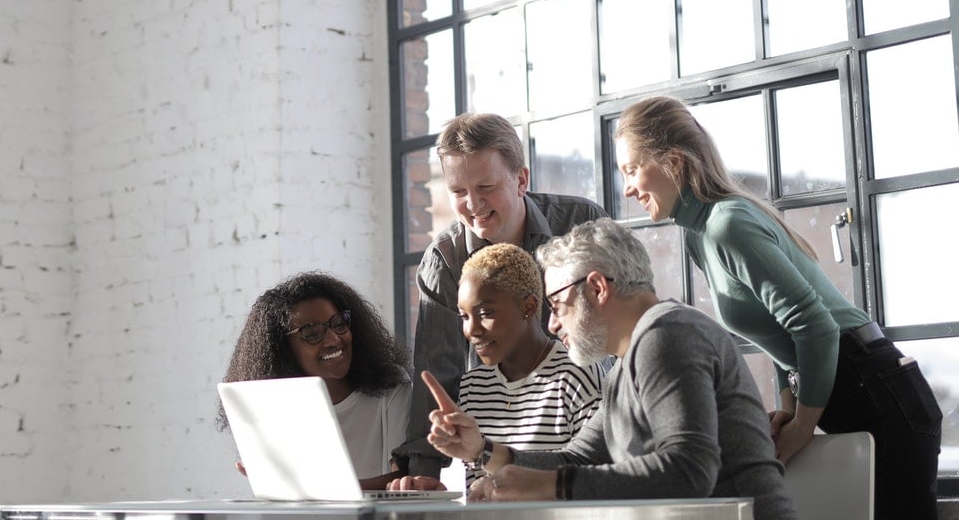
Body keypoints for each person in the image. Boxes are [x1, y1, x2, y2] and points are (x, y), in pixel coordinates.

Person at [615, 95, 942, 519]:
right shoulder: (700, 233)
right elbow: (776, 328)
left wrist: (802, 427)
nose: (627, 188)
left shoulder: (725, 226)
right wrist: (788, 408)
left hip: (878, 389)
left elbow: (816, 328)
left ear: (674, 162)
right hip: (860, 389)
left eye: (630, 169)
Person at [409, 218, 797, 518]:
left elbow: (688, 471)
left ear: (597, 288)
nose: (552, 323)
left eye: (558, 304)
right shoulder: (627, 365)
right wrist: (483, 450)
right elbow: (576, 458)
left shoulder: (668, 337)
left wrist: (552, 486)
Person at [395, 112, 608, 478]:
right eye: (459, 192)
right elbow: (437, 368)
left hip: (586, 421)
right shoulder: (445, 259)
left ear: (521, 179)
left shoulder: (580, 225)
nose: (474, 204)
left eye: (486, 187)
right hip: (496, 433)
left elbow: (619, 327)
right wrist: (424, 472)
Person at [391, 243, 604, 491]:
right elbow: (482, 491)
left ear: (528, 307)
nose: (471, 330)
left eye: (485, 312)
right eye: (464, 317)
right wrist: (442, 499)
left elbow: (594, 478)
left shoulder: (576, 373)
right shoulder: (473, 385)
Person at [217, 271, 411, 490]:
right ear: (283, 350)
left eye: (338, 324)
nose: (333, 340)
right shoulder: (274, 405)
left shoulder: (390, 385)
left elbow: (405, 478)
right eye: (312, 334)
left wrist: (313, 489)